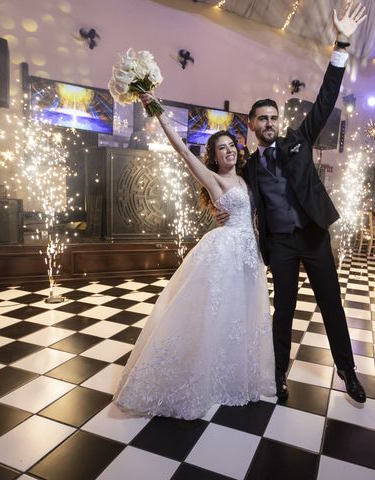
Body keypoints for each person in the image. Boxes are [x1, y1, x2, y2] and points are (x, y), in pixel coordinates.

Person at [218, 1, 368, 403]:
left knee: (332, 306)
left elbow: (325, 98)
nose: (268, 123)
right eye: (261, 119)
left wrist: (342, 42)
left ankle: (348, 373)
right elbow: (225, 191)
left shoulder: (299, 141)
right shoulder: (246, 167)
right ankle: (277, 375)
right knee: (282, 311)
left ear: (279, 122)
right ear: (251, 125)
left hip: (314, 236)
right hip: (280, 244)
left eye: (273, 118)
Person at [113, 106, 275, 420]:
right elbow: (184, 152)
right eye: (221, 148)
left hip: (248, 252)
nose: (228, 151)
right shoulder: (214, 180)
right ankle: (198, 379)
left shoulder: (245, 179)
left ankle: (231, 376)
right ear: (214, 156)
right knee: (214, 315)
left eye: (231, 146)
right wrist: (156, 109)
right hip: (225, 250)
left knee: (240, 317)